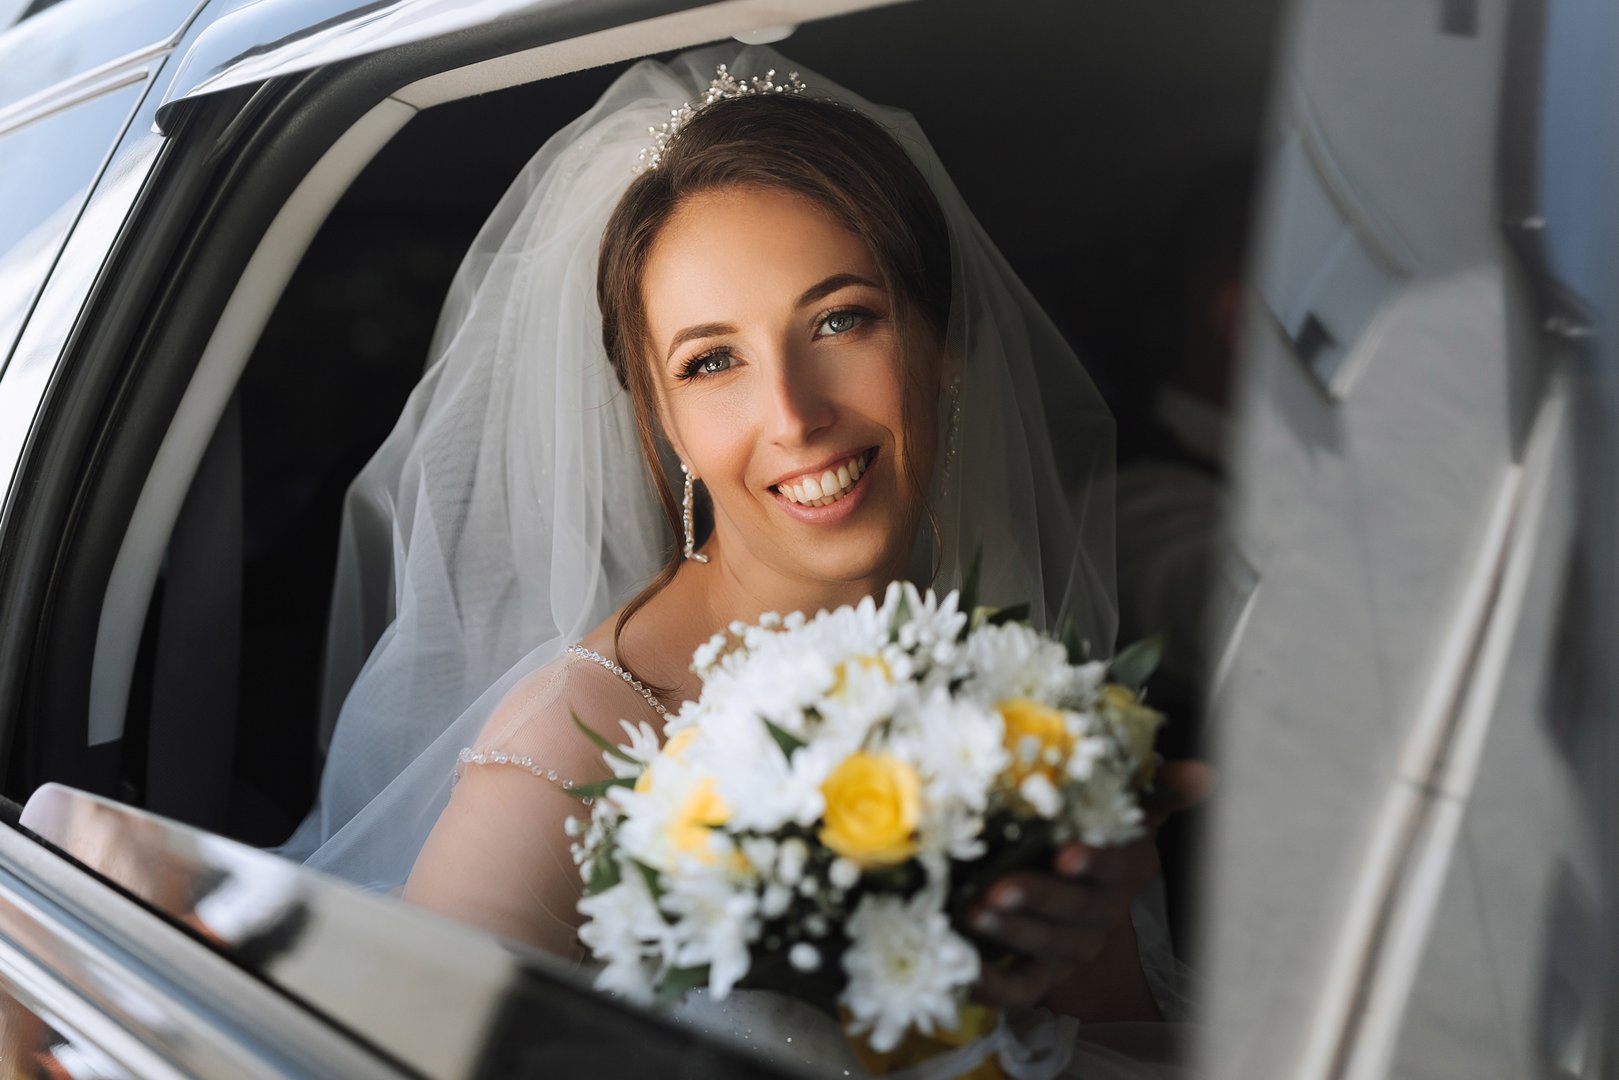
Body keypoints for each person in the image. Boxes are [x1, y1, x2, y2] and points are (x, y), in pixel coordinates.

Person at [282, 46, 1203, 1074]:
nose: (794, 417)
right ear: (661, 415)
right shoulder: (572, 754)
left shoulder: (1005, 699)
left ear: (947, 348)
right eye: (711, 361)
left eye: (839, 319)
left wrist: (1061, 958)